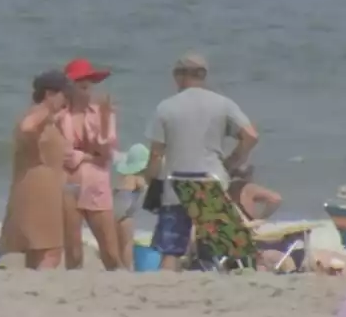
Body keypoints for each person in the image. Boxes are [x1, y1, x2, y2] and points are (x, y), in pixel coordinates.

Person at [142, 53, 259, 271]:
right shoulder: (223, 104)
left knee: (171, 250)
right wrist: (232, 162)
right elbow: (251, 136)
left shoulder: (165, 108)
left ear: (178, 76)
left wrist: (151, 182)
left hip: (176, 186)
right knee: (217, 246)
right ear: (204, 76)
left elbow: (156, 155)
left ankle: (165, 291)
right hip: (211, 185)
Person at [0, 70, 72, 270]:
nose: (66, 100)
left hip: (36, 186)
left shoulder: (44, 117)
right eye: (64, 95)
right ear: (49, 94)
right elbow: (26, 127)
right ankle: (41, 288)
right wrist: (47, 114)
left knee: (37, 249)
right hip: (39, 190)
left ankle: (33, 285)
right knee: (51, 251)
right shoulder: (39, 114)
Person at [56, 58, 119, 270]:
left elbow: (106, 152)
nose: (86, 84)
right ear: (69, 86)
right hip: (68, 185)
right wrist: (89, 156)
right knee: (73, 250)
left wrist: (103, 120)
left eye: (89, 80)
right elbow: (62, 155)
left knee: (110, 250)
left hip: (96, 184)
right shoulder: (60, 116)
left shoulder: (102, 112)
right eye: (80, 80)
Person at [112, 143, 149, 271]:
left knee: (118, 243)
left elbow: (116, 194)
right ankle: (127, 267)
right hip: (126, 215)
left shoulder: (123, 178)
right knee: (127, 244)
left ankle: (119, 266)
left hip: (115, 213)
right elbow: (142, 186)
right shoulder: (137, 178)